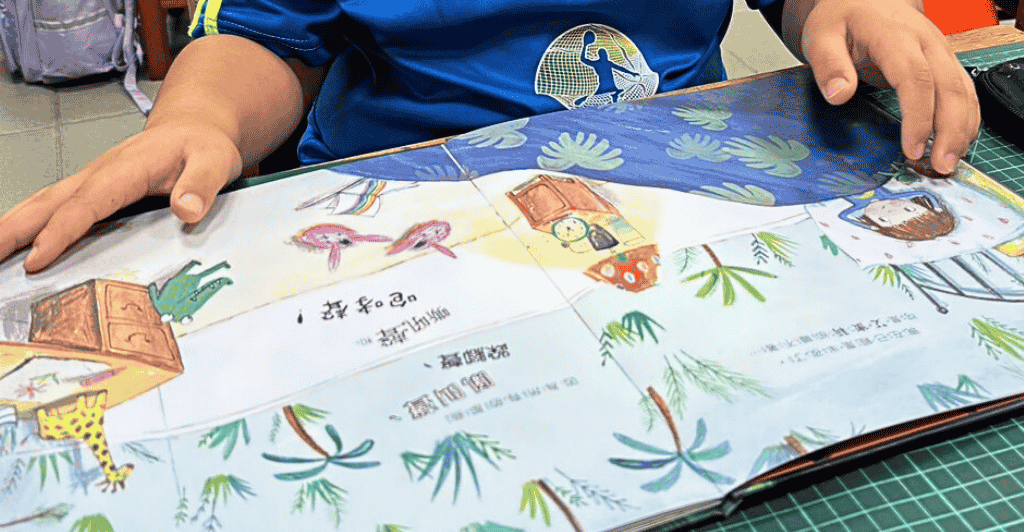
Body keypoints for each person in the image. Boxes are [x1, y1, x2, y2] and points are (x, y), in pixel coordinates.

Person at [0, 0, 981, 274]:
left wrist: (847, 10)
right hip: (408, 216)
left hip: (669, 186)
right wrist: (199, 120)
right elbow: (264, 36)